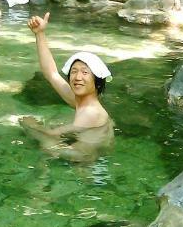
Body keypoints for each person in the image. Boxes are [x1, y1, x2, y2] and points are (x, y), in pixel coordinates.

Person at [20, 12, 114, 160]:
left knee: (42, 139)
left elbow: (52, 133)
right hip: (84, 146)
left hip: (82, 158)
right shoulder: (80, 100)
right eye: (74, 71)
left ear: (97, 81)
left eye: (85, 72)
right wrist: (40, 34)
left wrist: (30, 126)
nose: (77, 77)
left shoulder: (91, 112)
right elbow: (51, 73)